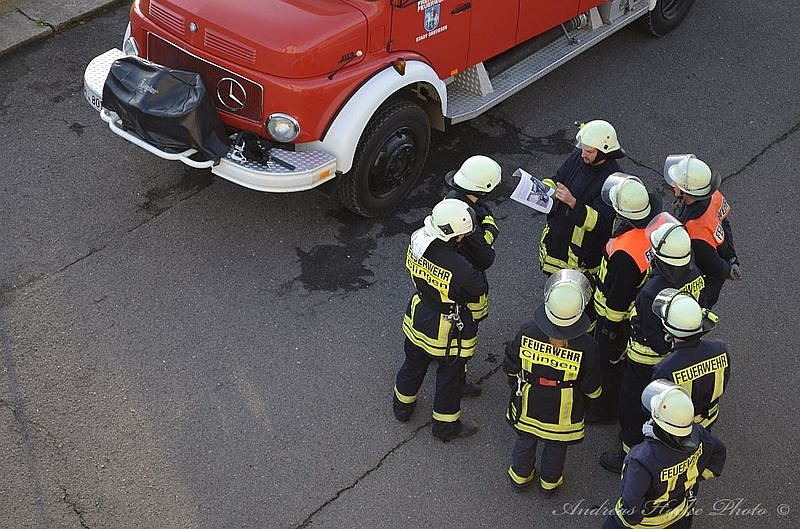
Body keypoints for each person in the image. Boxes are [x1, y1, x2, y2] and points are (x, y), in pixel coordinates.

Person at [600, 213, 707, 473]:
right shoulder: (695, 274)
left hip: (644, 359)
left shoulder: (650, 293)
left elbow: (652, 337)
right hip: (680, 351)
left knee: (631, 408)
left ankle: (629, 457)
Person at [393, 198, 488, 441]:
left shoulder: (418, 238)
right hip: (448, 328)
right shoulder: (458, 265)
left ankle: (402, 407)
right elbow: (477, 287)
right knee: (450, 377)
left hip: (419, 312)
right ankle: (445, 427)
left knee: (413, 364)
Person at [503, 270, 602, 496]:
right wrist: (590, 403)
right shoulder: (587, 345)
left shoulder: (528, 331)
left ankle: (520, 478)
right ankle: (549, 484)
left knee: (526, 439)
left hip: (528, 400)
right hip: (564, 411)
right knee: (556, 448)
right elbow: (591, 384)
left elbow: (510, 363)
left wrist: (515, 385)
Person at [603, 380, 726, 529]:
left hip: (645, 523)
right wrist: (698, 476)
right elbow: (719, 452)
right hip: (679, 514)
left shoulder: (641, 459)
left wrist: (631, 521)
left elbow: (631, 501)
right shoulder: (698, 435)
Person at [588, 173, 660, 423]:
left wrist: (609, 328)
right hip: (634, 308)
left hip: (615, 316)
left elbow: (617, 297)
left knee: (608, 365)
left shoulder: (625, 253)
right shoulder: (649, 230)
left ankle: (606, 409)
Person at [444, 155, 502, 397]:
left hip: (447, 281)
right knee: (463, 338)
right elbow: (485, 256)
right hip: (466, 284)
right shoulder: (470, 223)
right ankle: (457, 379)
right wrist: (489, 228)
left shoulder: (450, 201)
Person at [538, 119, 625, 277]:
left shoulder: (613, 180)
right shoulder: (580, 155)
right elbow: (558, 178)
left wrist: (573, 202)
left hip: (581, 256)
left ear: (604, 152)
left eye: (589, 151)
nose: (583, 153)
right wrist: (542, 190)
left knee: (577, 295)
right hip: (558, 240)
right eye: (583, 148)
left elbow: (602, 223)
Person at [665, 154, 741, 307]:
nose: (673, 184)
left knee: (696, 313)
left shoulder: (695, 229)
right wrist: (732, 257)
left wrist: (727, 270)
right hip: (721, 255)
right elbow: (725, 223)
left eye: (677, 182)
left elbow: (710, 263)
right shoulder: (713, 195)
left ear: (688, 191)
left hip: (707, 280)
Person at [652, 288, 730, 429]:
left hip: (680, 427)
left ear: (669, 329)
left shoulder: (665, 369)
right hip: (709, 418)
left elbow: (658, 407)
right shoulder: (720, 348)